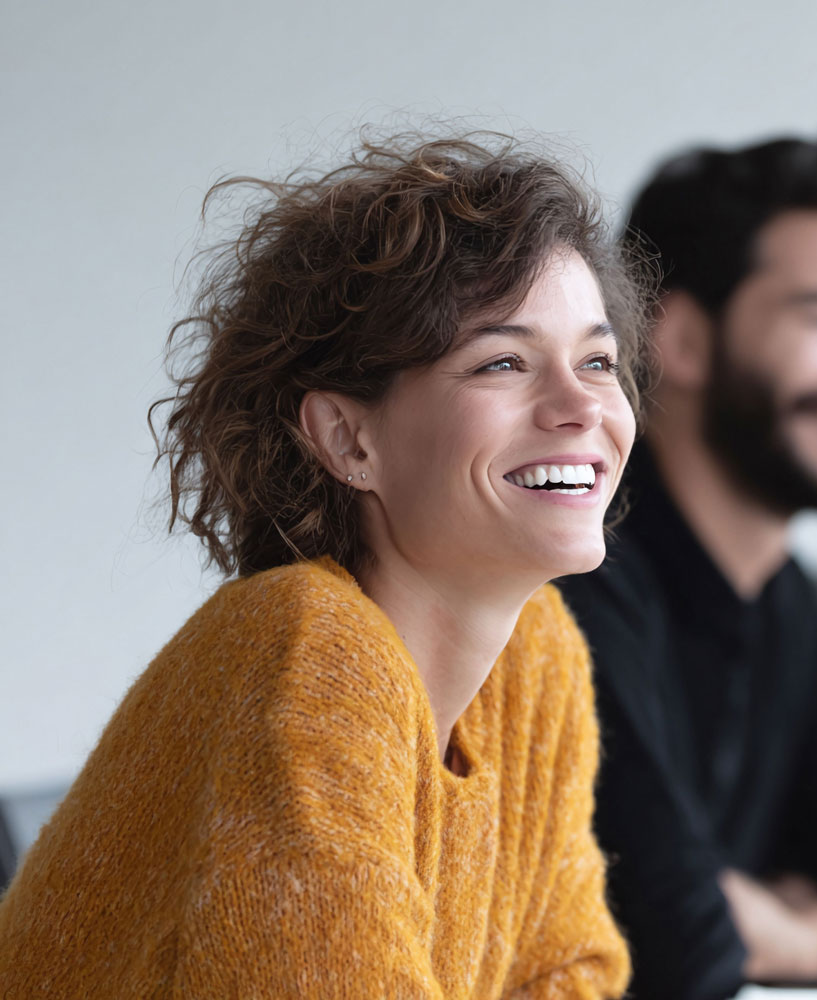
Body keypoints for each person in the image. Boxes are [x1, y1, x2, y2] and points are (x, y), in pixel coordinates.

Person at [0, 132, 644, 998]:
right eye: (503, 362)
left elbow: (579, 973)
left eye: (597, 361)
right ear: (348, 439)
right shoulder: (311, 649)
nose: (581, 407)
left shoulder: (538, 657)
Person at [555, 130, 817, 1000]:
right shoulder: (573, 571)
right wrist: (815, 929)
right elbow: (676, 942)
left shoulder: (789, 607)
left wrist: (807, 941)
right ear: (683, 340)